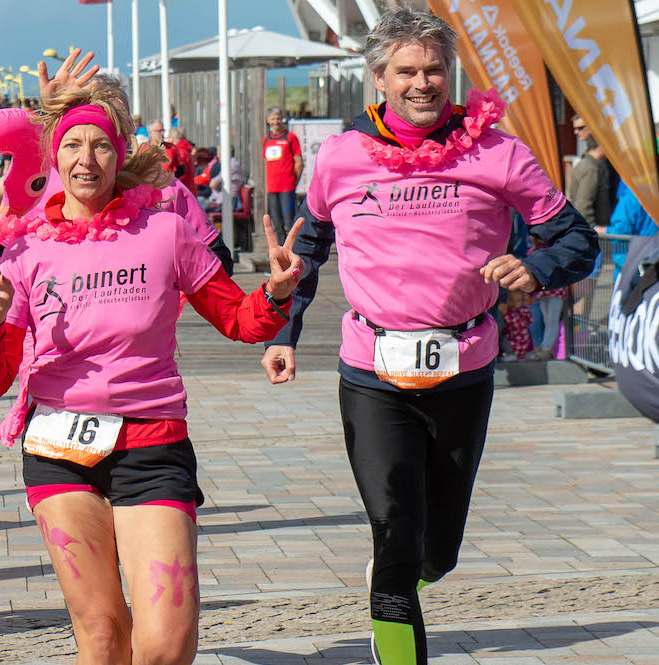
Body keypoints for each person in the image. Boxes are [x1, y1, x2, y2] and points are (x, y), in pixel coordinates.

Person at [259, 8, 597, 664]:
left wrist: (532, 266)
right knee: (395, 534)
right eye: (405, 71)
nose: (421, 83)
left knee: (435, 552)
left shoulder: (496, 151)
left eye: (433, 69)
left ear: (450, 75)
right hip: (371, 370)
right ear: (377, 78)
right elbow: (307, 249)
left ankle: (407, 570)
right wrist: (284, 331)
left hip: (464, 365)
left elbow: (576, 239)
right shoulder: (339, 156)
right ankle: (392, 597)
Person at [0, 63, 304, 665]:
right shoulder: (23, 247)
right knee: (100, 632)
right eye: (72, 144)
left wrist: (277, 293)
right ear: (56, 158)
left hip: (153, 445)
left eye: (100, 145)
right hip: (59, 449)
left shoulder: (166, 230)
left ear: (118, 153)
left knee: (167, 645)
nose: (85, 158)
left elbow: (240, 321)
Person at [263, 106, 304, 243]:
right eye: (273, 119)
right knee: (277, 224)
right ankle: (281, 252)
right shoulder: (266, 140)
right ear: (268, 121)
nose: (276, 122)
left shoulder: (290, 137)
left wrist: (294, 181)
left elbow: (299, 162)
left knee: (289, 223)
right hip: (272, 188)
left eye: (278, 119)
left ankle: (293, 251)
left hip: (287, 187)